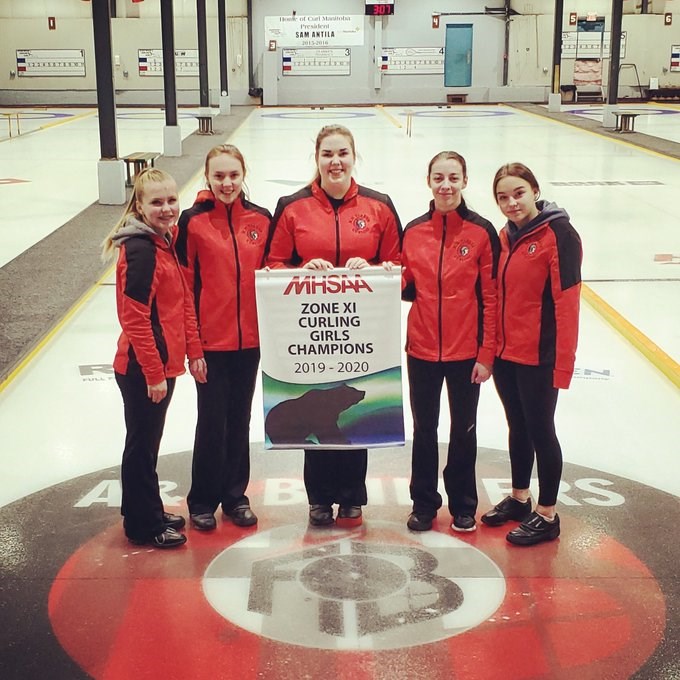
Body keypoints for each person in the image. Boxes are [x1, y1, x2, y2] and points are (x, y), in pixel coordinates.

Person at [265, 124, 402, 528]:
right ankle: (319, 498)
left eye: (342, 153)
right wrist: (302, 270)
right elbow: (273, 264)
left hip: (361, 333)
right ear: (317, 158)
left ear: (354, 156)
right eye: (327, 154)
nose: (335, 161)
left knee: (348, 418)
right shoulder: (292, 206)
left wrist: (375, 269)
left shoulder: (379, 206)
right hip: (312, 330)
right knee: (316, 408)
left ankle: (352, 496)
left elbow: (399, 266)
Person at [102, 168, 206, 548]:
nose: (167, 208)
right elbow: (134, 316)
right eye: (157, 202)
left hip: (161, 367)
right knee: (141, 446)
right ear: (140, 207)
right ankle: (142, 526)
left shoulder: (165, 241)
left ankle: (145, 509)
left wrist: (193, 351)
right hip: (141, 368)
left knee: (147, 444)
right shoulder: (141, 250)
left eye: (171, 200)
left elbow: (182, 304)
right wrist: (153, 372)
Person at [481, 162, 582, 546]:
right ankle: (520, 498)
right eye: (503, 197)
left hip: (539, 355)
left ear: (535, 191)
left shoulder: (560, 234)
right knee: (517, 426)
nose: (511, 203)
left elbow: (568, 302)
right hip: (508, 354)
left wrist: (562, 364)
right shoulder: (505, 237)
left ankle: (548, 514)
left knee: (542, 430)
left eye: (518, 193)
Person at [401, 151, 500, 533]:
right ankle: (423, 503)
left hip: (465, 352)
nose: (446, 185)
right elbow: (407, 285)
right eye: (439, 177)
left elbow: (491, 297)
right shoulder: (413, 230)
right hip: (422, 349)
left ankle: (463, 503)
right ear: (429, 181)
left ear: (464, 181)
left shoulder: (481, 232)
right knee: (424, 429)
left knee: (464, 429)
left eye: (453, 178)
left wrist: (486, 354)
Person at [176, 144, 272, 531]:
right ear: (208, 177)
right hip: (211, 345)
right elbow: (185, 288)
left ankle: (235, 497)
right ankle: (202, 499)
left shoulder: (261, 219)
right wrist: (193, 347)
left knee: (240, 419)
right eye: (219, 176)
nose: (227, 183)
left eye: (233, 175)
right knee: (211, 421)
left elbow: (275, 276)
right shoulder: (192, 221)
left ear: (243, 173)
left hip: (250, 343)